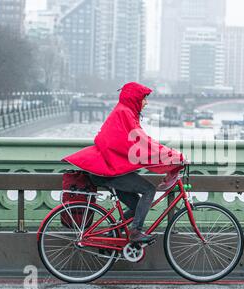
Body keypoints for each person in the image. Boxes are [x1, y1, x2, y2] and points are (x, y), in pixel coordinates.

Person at [62, 82, 187, 243]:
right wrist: (175, 157)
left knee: (137, 207)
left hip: (107, 167)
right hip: (107, 170)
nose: (146, 103)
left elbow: (139, 145)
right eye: (144, 98)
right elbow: (144, 144)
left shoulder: (125, 112)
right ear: (135, 98)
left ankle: (112, 234)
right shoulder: (125, 114)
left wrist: (171, 156)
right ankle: (136, 232)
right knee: (149, 190)